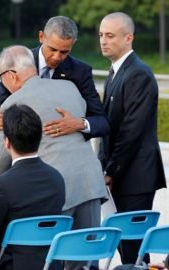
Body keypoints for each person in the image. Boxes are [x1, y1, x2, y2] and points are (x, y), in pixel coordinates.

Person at [0, 45, 107, 269]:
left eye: (1, 78)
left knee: (55, 261)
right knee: (86, 262)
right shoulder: (69, 88)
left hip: (56, 189)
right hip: (90, 183)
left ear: (11, 75)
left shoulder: (14, 104)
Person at [98, 12, 167, 264]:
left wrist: (111, 171)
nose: (103, 41)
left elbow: (131, 131)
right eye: (101, 35)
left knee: (133, 249)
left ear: (129, 38)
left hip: (135, 176)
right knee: (126, 246)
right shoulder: (116, 70)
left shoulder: (138, 73)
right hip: (121, 173)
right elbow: (109, 127)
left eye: (110, 35)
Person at [0, 16, 109, 140]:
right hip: (23, 149)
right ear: (41, 37)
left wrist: (79, 124)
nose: (56, 57)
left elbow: (101, 121)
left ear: (74, 43)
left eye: (64, 52)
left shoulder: (80, 72)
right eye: (52, 49)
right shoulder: (17, 62)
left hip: (62, 151)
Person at [0, 104, 65, 270]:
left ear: (7, 142)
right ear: (39, 138)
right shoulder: (56, 178)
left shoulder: (1, 185)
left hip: (10, 264)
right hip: (49, 264)